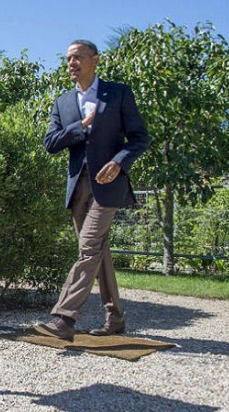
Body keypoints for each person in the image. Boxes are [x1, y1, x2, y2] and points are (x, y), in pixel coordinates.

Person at [37, 39, 148, 341]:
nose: (71, 63)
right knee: (98, 253)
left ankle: (63, 318)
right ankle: (116, 318)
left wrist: (119, 162)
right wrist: (81, 128)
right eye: (68, 58)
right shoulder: (62, 102)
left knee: (88, 248)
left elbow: (140, 138)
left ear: (95, 60)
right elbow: (50, 143)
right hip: (78, 189)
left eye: (77, 57)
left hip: (108, 185)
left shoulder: (119, 93)